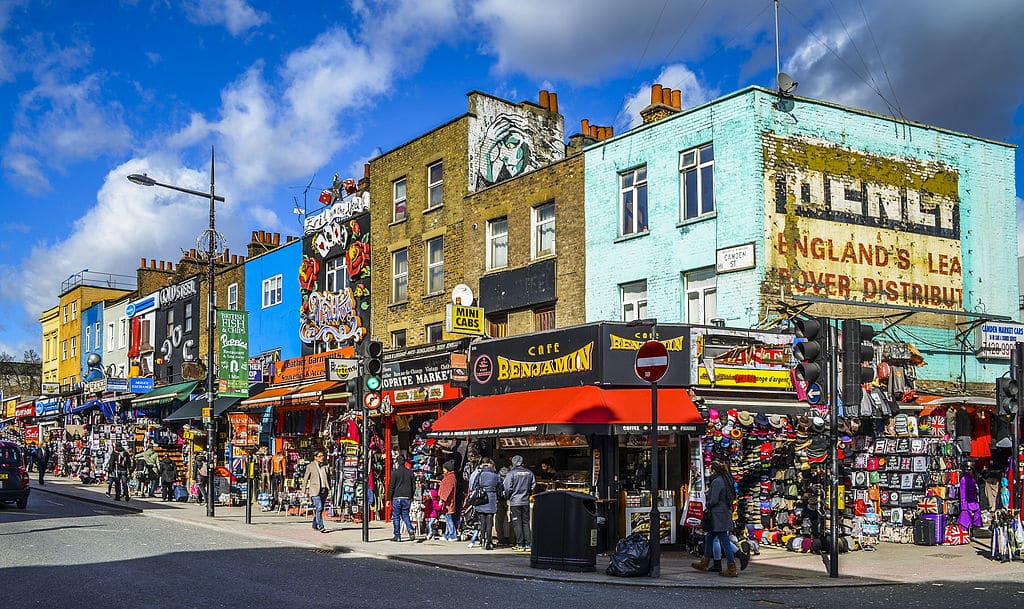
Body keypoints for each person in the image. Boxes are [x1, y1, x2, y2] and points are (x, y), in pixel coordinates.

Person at [692, 460, 739, 577]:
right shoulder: (726, 479)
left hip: (718, 515)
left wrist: (707, 501)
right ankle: (705, 562)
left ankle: (731, 566)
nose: (710, 472)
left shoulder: (717, 481)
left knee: (724, 540)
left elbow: (714, 500)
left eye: (710, 470)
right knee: (709, 538)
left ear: (714, 470)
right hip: (723, 513)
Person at [467, 457, 502, 550]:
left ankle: (482, 539)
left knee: (482, 520)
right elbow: (500, 488)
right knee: (489, 520)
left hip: (481, 498)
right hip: (492, 498)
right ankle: (488, 540)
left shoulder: (479, 474)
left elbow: (473, 485)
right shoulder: (496, 475)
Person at [504, 455, 536, 552]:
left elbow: (507, 487)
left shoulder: (511, 473)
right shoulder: (529, 473)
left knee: (517, 523)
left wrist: (508, 496)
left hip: (515, 501)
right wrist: (528, 494)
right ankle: (528, 544)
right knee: (526, 523)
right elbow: (533, 486)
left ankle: (520, 544)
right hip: (525, 501)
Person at [387, 455, 415, 541]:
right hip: (407, 497)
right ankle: (410, 528)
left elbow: (391, 486)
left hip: (397, 497)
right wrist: (411, 496)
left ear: (397, 462)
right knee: (405, 515)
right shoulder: (410, 472)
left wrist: (388, 498)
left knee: (396, 517)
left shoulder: (395, 472)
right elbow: (413, 486)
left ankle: (397, 536)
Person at [302, 451, 331, 533]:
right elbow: (305, 478)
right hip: (315, 490)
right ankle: (321, 526)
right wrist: (303, 490)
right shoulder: (310, 466)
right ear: (315, 457)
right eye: (320, 456)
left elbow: (328, 478)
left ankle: (314, 524)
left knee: (320, 509)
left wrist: (330, 488)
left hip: (324, 490)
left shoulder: (325, 466)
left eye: (322, 456)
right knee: (319, 507)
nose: (322, 457)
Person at [438, 460, 458, 541]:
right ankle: (447, 535)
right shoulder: (450, 477)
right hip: (448, 501)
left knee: (448, 518)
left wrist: (442, 499)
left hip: (448, 502)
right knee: (447, 518)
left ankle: (453, 535)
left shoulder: (449, 478)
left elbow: (447, 490)